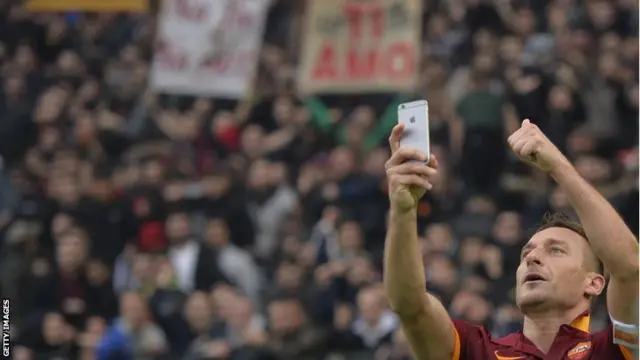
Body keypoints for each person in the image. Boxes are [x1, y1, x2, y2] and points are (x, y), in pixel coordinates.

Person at [383, 119, 638, 359]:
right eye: (526, 253)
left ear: (593, 283)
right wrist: (403, 210)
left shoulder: (613, 350)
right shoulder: (477, 351)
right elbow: (411, 306)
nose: (533, 258)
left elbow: (629, 266)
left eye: (556, 251)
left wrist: (556, 165)